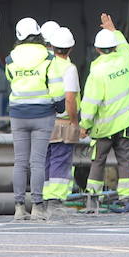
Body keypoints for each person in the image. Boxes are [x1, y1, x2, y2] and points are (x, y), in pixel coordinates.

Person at [7, 16, 66, 220]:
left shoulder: (11, 58)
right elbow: (57, 87)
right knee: (37, 162)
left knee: (20, 161)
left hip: (18, 114)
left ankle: (18, 207)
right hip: (43, 114)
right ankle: (38, 207)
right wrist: (59, 106)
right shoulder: (49, 57)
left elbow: (10, 79)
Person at [80, 12, 129, 213]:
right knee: (125, 162)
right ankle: (126, 199)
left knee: (98, 162)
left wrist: (84, 125)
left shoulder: (97, 71)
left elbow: (90, 102)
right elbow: (125, 45)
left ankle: (93, 199)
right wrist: (114, 31)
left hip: (103, 127)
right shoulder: (125, 58)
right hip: (126, 124)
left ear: (96, 49)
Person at [40, 25, 81, 216]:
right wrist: (75, 122)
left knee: (46, 159)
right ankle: (55, 201)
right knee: (60, 159)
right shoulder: (69, 68)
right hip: (63, 121)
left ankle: (44, 198)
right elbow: (70, 98)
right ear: (71, 48)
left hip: (43, 119)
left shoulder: (45, 65)